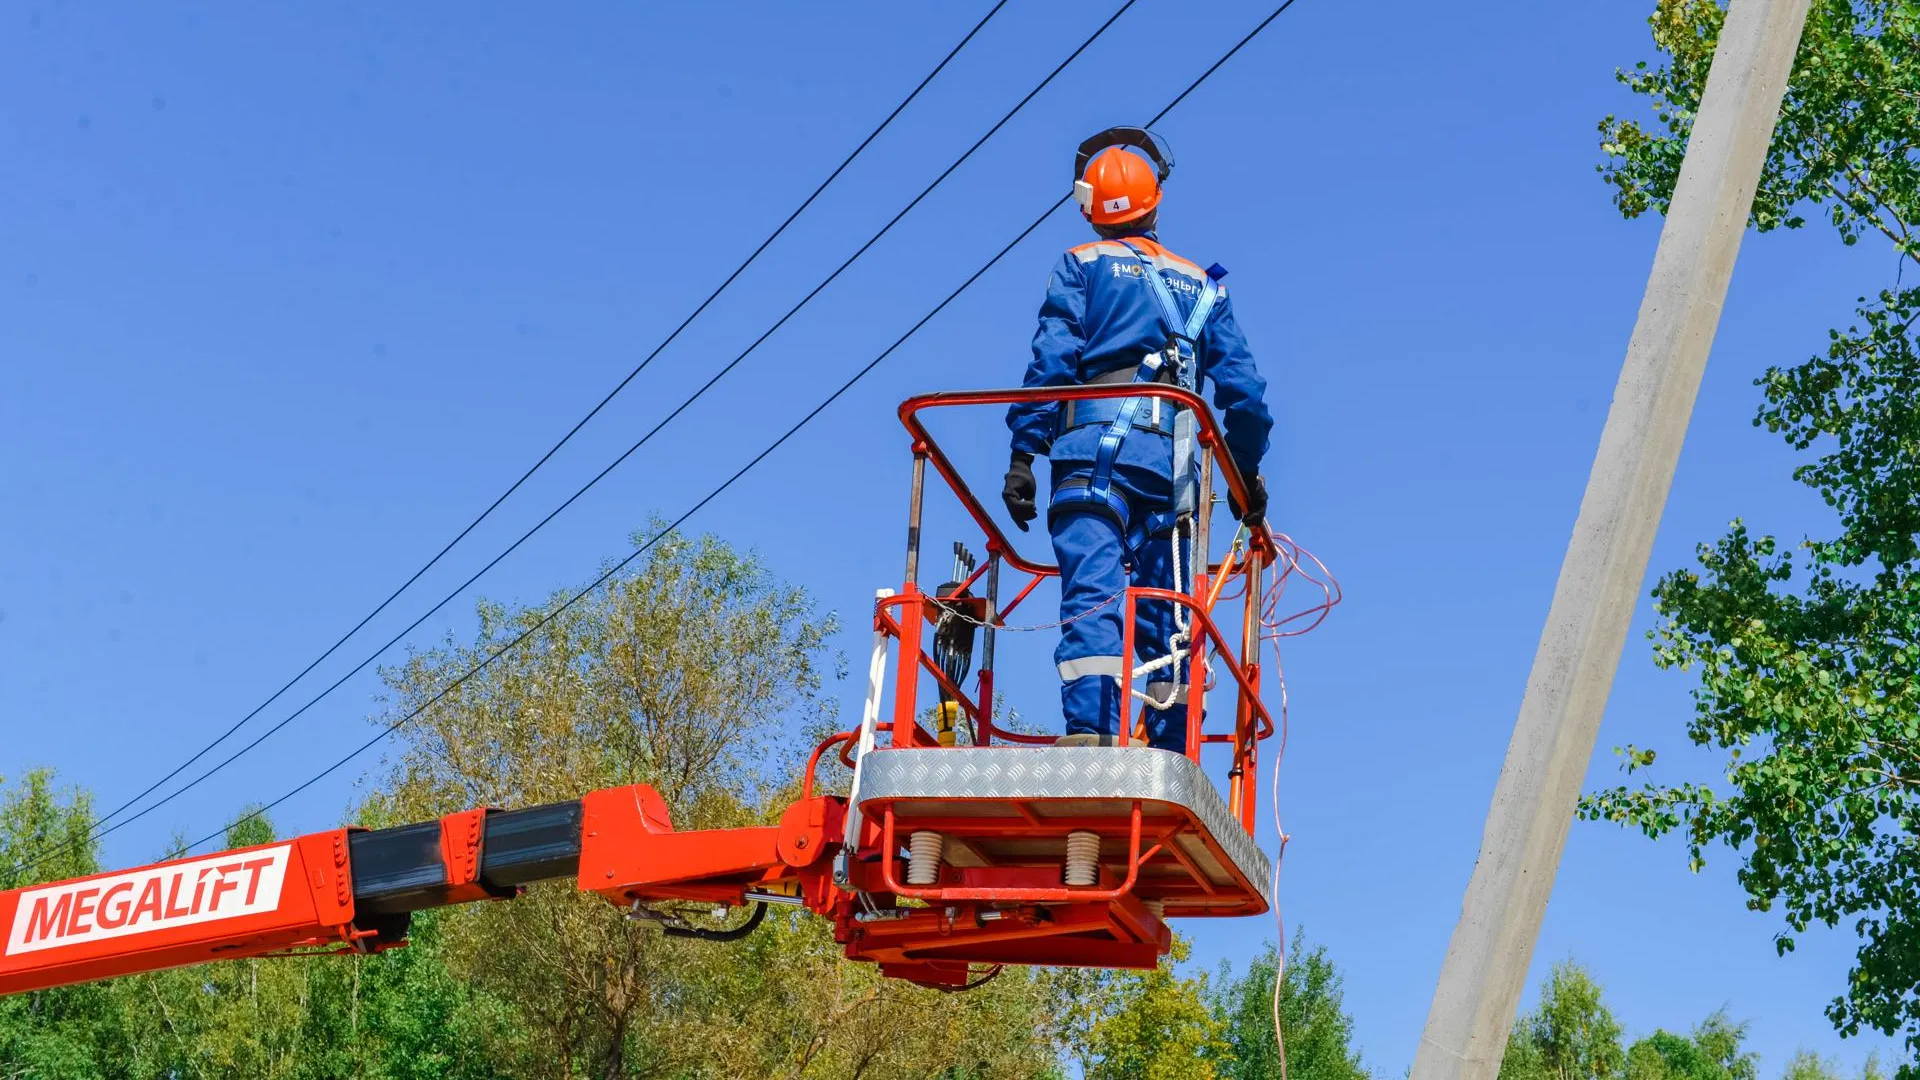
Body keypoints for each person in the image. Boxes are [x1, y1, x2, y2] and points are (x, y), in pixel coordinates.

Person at [1002, 128, 1272, 751]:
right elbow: (1246, 394)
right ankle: (1172, 754)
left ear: (1091, 207)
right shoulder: (1205, 287)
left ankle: (1091, 738)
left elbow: (1052, 363)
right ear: (1156, 200)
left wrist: (1023, 454)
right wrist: (1245, 475)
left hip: (1090, 454)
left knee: (1094, 596)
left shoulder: (1082, 264)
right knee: (1171, 618)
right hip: (1173, 475)